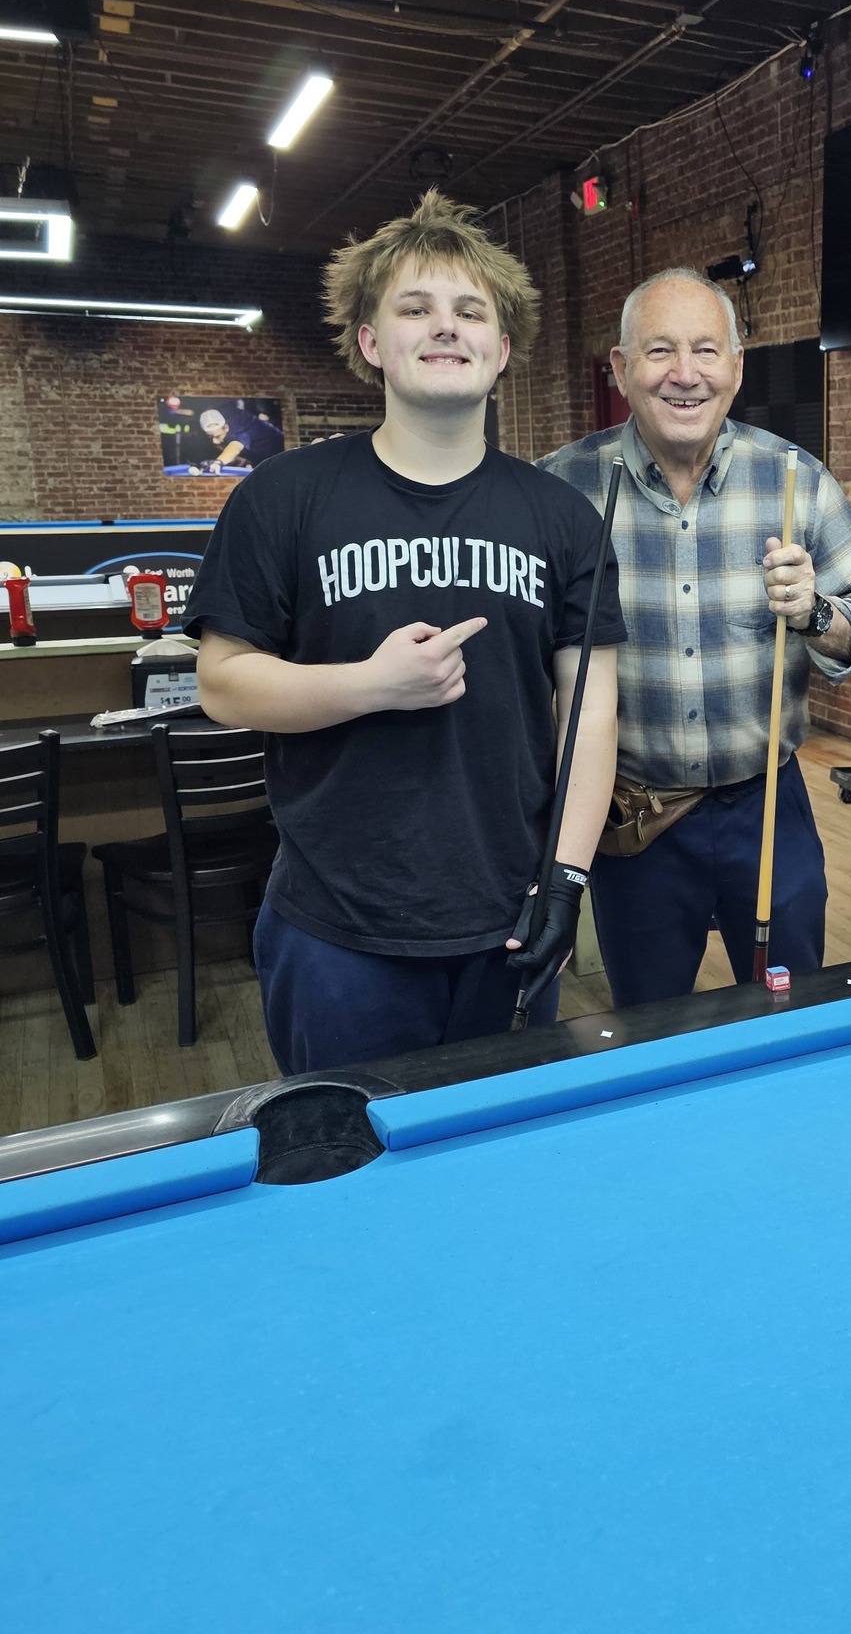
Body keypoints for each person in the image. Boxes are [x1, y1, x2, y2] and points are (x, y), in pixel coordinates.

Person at [185, 190, 623, 1073]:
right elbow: (223, 683)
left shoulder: (562, 517)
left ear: (503, 350)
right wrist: (370, 685)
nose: (446, 326)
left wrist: (567, 879)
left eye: (471, 311)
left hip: (508, 916)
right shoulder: (282, 497)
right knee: (347, 1147)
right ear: (371, 343)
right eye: (415, 308)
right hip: (337, 930)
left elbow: (589, 711)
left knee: (496, 1148)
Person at [541, 265, 851, 1008]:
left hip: (767, 807)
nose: (685, 374)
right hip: (633, 818)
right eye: (660, 351)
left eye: (706, 351)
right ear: (622, 369)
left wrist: (815, 612)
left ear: (736, 367)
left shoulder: (795, 479)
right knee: (648, 1022)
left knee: (787, 1008)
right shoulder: (562, 491)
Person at [194, 400, 285, 472]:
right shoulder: (216, 418)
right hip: (258, 453)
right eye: (210, 437)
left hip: (279, 451)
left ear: (226, 428)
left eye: (217, 436)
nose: (215, 441)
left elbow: (235, 447)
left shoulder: (237, 426)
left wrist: (218, 462)